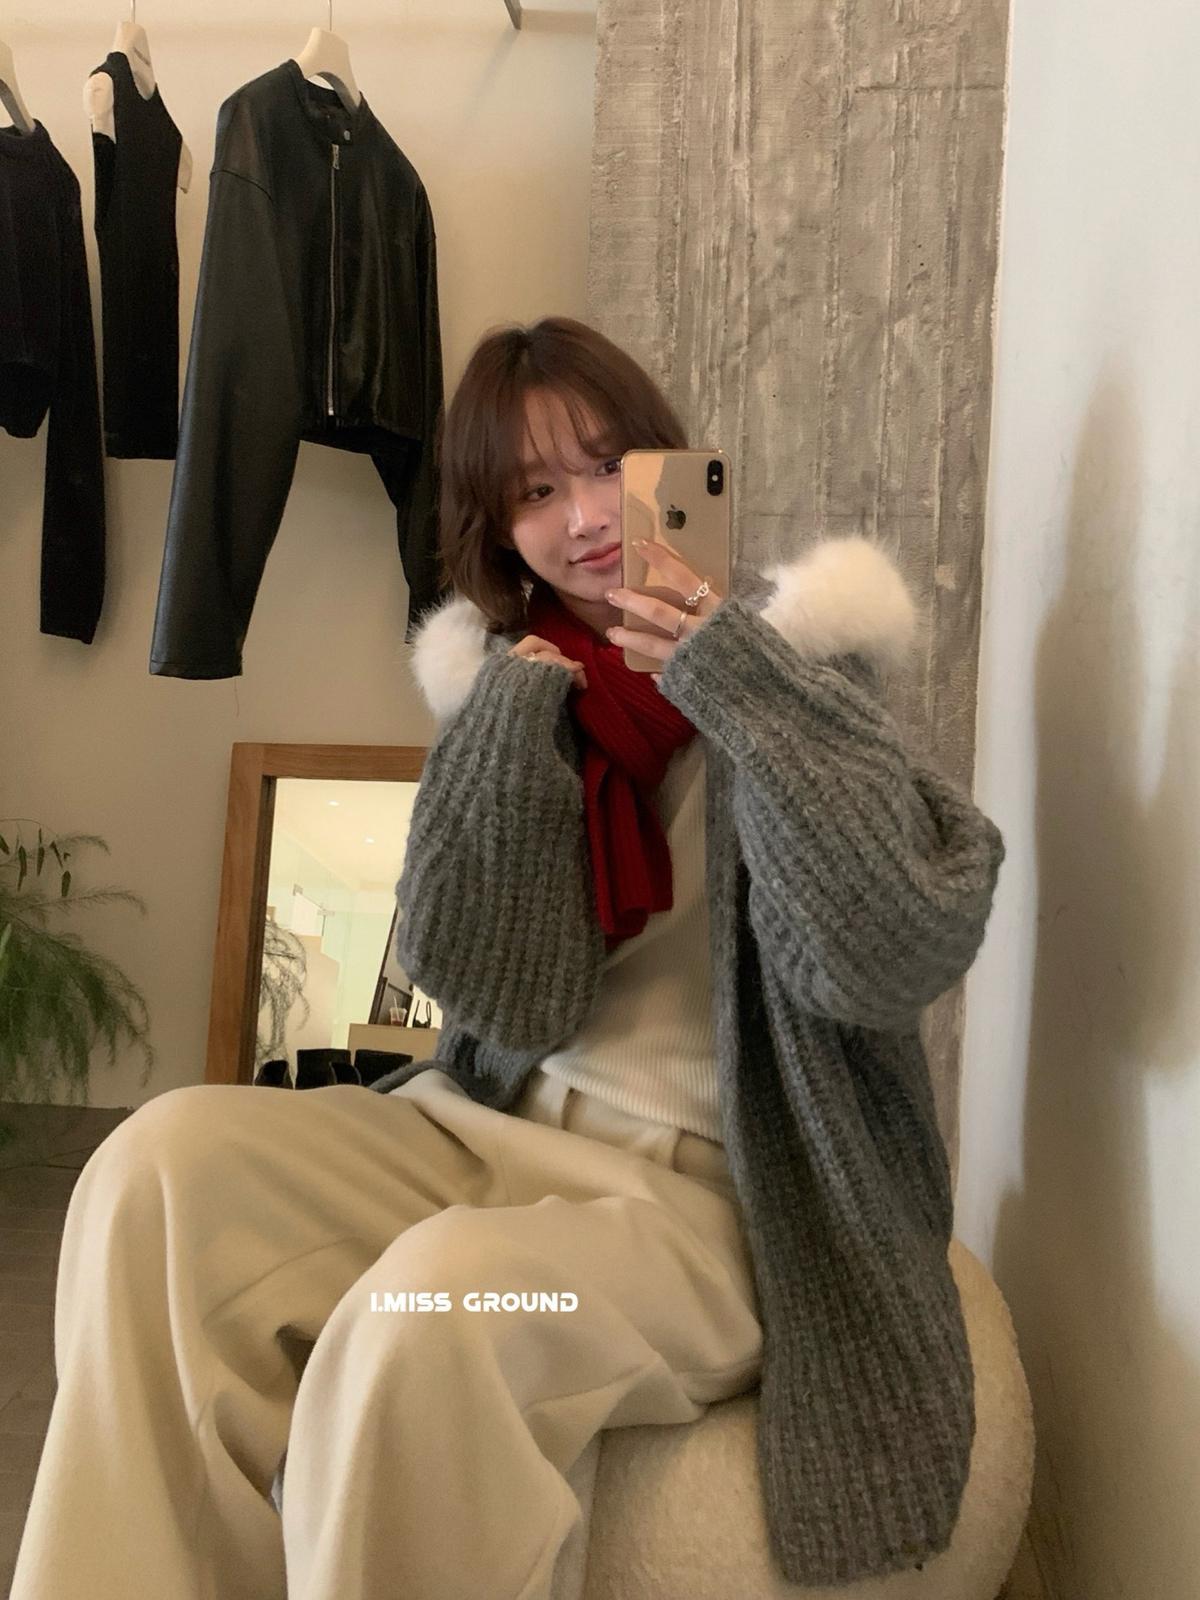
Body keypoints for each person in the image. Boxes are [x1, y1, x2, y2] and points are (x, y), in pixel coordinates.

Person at [11, 316, 1006, 1600]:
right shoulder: (516, 689)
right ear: (496, 524)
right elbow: (488, 989)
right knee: (155, 1167)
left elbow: (888, 951)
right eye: (536, 491)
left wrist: (738, 684)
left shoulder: (803, 670)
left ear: (670, 463)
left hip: (715, 1199)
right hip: (488, 1131)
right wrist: (508, 733)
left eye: (608, 464)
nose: (585, 518)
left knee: (428, 1312)